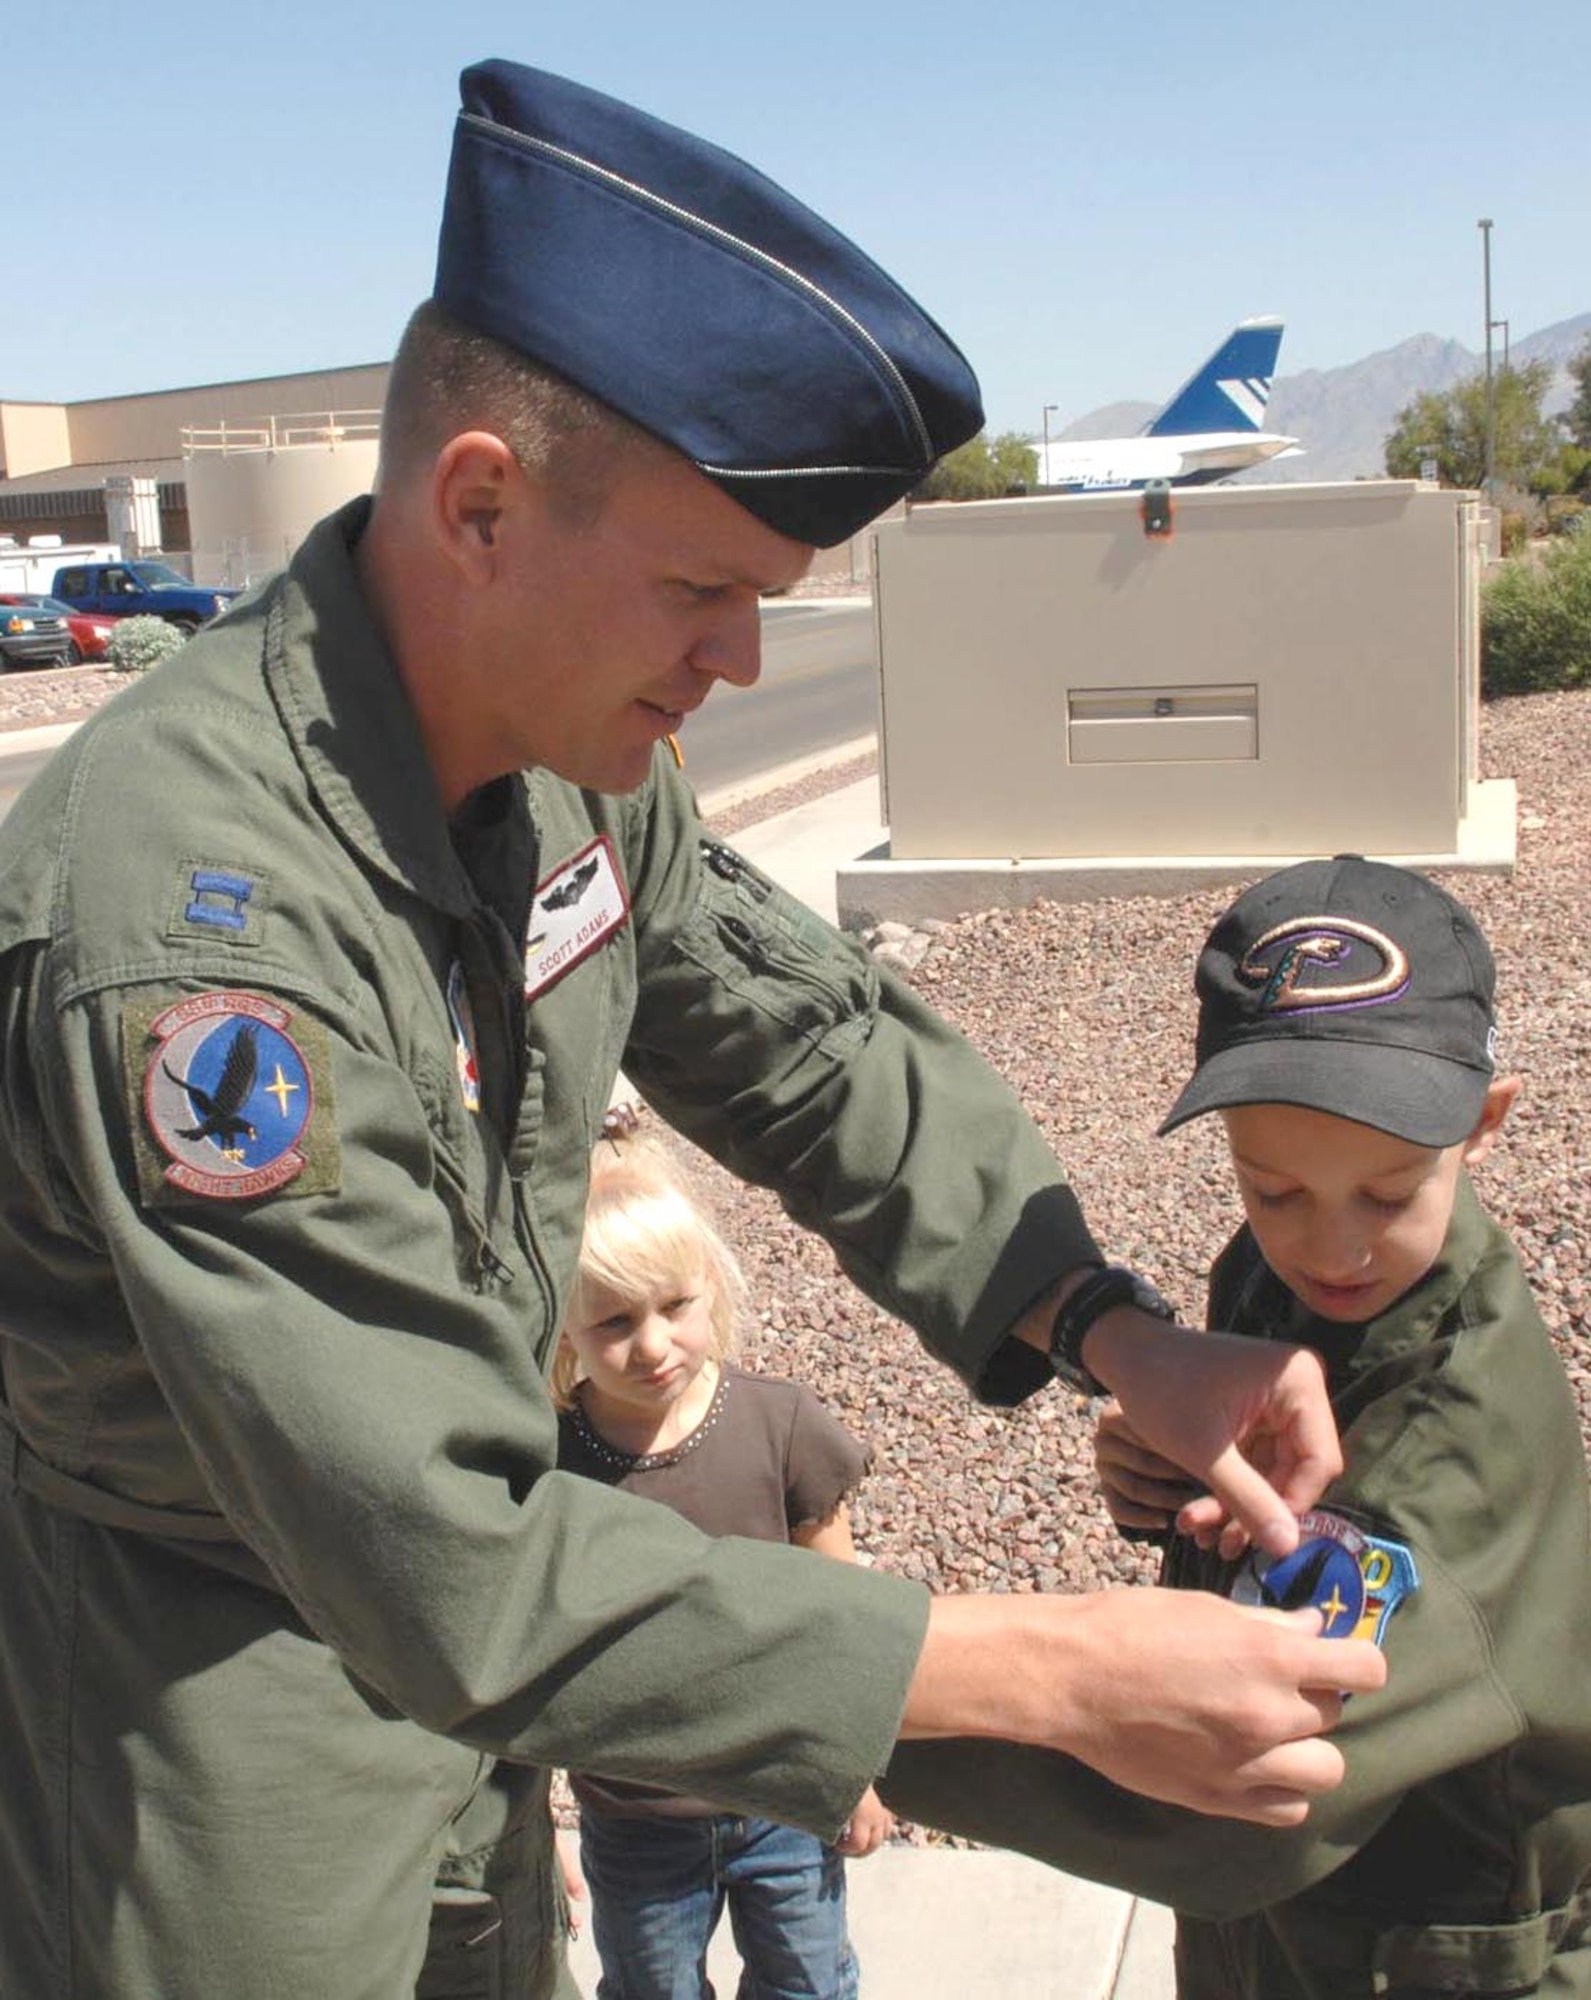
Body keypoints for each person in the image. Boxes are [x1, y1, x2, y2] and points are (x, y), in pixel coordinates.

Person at [0, 59, 1383, 2000]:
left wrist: (1114, 1328)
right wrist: (1049, 1667)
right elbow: (434, 1559)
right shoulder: (199, 941)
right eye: (704, 588)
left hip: (504, 1652)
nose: (739, 659)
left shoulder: (568, 762)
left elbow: (809, 1047)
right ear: (480, 504)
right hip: (227, 1716)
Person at [883, 857, 1591, 1996]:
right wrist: (1181, 1489)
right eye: (1272, 1189)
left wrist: (865, 1712)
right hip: (1276, 1935)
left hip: (1423, 1946)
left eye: (1387, 1193)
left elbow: (1244, 1796)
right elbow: (1272, 1539)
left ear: (1484, 1124)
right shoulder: (1273, 1283)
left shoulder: (1451, 1442)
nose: (1332, 1247)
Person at [554, 1117, 889, 1998]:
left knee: (807, 1982)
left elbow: (840, 1613)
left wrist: (852, 1770)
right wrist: (525, 1823)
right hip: (634, 1814)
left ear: (709, 1286)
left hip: (784, 1797)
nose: (652, 1345)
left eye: (674, 1307)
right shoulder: (554, 1460)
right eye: (614, 1321)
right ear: (565, 1330)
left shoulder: (780, 1427)